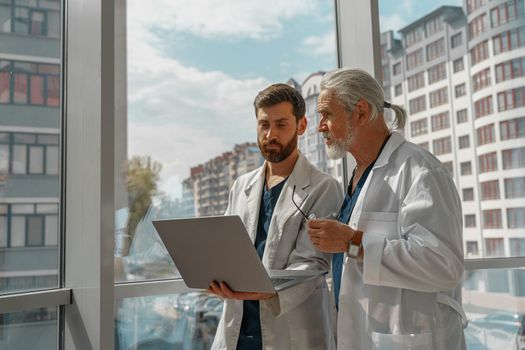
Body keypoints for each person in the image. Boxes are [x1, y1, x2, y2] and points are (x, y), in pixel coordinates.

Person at [307, 68, 466, 350]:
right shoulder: (359, 174)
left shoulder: (420, 171)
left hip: (408, 338)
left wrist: (351, 242)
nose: (320, 126)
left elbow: (443, 265)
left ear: (360, 112)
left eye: (327, 115)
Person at [208, 83, 343, 350]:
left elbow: (313, 265)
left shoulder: (323, 187)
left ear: (301, 125)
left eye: (281, 124)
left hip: (291, 332)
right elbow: (226, 248)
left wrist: (266, 292)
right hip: (238, 331)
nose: (270, 134)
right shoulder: (241, 185)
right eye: (263, 124)